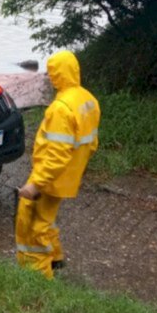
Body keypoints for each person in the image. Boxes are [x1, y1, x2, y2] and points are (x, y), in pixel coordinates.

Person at [16, 50, 100, 280]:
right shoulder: (88, 100)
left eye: (51, 73)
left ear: (56, 75)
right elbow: (91, 143)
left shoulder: (61, 108)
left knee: (32, 223)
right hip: (68, 174)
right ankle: (55, 258)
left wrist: (36, 183)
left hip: (51, 177)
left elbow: (56, 154)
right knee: (46, 217)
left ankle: (37, 276)